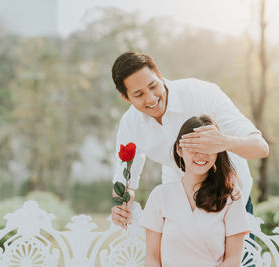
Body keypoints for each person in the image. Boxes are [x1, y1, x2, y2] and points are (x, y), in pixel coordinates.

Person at [111, 51, 269, 228]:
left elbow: (261, 147)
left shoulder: (202, 94)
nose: (151, 98)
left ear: (160, 76)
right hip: (180, 206)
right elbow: (125, 180)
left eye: (153, 86)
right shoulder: (130, 124)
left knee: (239, 256)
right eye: (139, 94)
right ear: (126, 97)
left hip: (231, 199)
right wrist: (121, 204)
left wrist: (223, 141)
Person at [140, 115, 251, 267]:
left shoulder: (231, 196)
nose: (201, 154)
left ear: (217, 151)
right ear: (179, 149)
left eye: (208, 147)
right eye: (194, 147)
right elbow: (152, 258)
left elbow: (232, 259)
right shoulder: (160, 196)